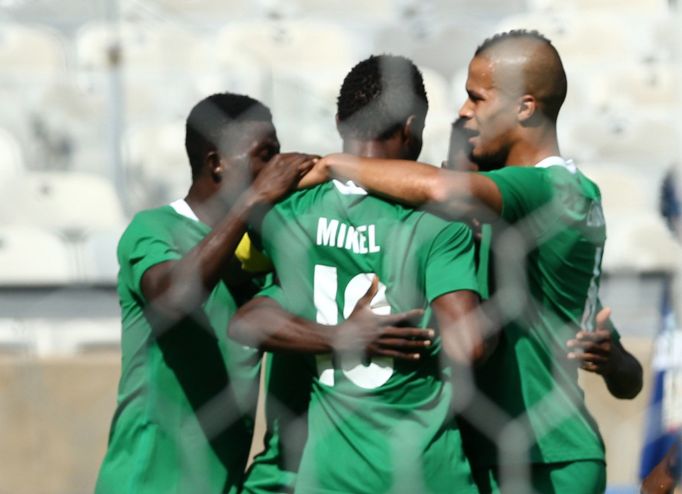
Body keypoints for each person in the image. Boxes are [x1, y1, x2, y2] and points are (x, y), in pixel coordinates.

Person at [311, 30, 644, 493]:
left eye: (476, 97)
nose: (465, 111)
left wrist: (334, 165)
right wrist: (614, 360)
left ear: (525, 107)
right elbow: (627, 377)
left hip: (547, 460)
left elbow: (441, 189)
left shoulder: (557, 189)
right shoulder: (513, 218)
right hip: (479, 456)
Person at [230, 54, 487, 493]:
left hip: (330, 474)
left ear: (339, 122)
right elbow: (470, 344)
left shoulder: (287, 216)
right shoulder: (438, 221)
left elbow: (246, 316)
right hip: (425, 472)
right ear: (411, 127)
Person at [94, 92, 318, 494]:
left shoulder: (264, 255)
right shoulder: (154, 229)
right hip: (142, 485)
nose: (275, 171)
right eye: (263, 156)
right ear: (216, 163)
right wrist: (253, 199)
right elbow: (174, 297)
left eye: (278, 156)